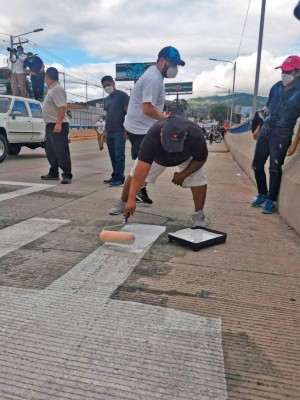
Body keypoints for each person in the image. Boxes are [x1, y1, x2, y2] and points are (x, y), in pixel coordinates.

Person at [109, 115, 209, 228]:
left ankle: (198, 214)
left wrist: (184, 174)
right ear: (161, 133)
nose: (171, 149)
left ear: (185, 135)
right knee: (133, 175)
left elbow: (200, 159)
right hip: (158, 158)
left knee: (199, 178)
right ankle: (123, 202)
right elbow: (140, 173)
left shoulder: (196, 135)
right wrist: (131, 200)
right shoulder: (151, 137)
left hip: (186, 158)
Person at [123, 46, 185, 204]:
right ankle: (126, 198)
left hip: (142, 126)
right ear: (162, 60)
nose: (174, 68)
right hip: (140, 128)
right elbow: (147, 108)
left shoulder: (155, 74)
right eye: (172, 63)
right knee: (147, 162)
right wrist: (167, 120)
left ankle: (139, 190)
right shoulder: (153, 78)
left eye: (176, 65)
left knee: (149, 162)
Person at [251, 55, 300, 214]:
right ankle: (262, 193)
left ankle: (271, 201)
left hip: (282, 134)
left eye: (288, 71)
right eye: (282, 70)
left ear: (297, 72)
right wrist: (259, 127)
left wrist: (294, 143)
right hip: (266, 130)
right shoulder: (276, 87)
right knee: (257, 165)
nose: (284, 74)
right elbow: (268, 109)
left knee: (274, 168)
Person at [41, 67, 72, 184]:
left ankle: (67, 175)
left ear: (47, 77)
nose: (44, 79)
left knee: (61, 151)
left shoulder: (57, 89)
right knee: (50, 150)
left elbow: (62, 107)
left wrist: (58, 123)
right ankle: (53, 173)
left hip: (58, 125)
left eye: (45, 77)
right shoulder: (52, 89)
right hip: (50, 125)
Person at [101, 75, 129, 186]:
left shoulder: (122, 96)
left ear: (113, 83)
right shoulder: (106, 99)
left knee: (119, 155)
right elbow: (107, 115)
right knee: (112, 155)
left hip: (120, 130)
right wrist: (105, 131)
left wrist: (127, 129)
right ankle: (115, 175)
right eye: (104, 86)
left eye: (108, 84)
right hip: (110, 131)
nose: (107, 87)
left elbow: (128, 113)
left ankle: (120, 178)